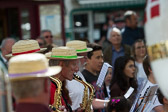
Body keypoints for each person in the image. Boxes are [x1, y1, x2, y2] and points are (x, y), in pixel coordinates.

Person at [47, 46, 82, 112]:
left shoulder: (59, 85)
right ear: (61, 64)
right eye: (74, 64)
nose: (77, 69)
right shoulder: (49, 88)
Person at [65, 40, 93, 111]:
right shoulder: (65, 77)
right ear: (76, 58)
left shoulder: (79, 73)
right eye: (85, 57)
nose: (86, 60)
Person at [82, 43, 109, 112]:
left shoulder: (100, 75)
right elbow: (88, 102)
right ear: (87, 59)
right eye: (98, 58)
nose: (101, 61)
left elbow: (105, 97)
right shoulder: (82, 78)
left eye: (102, 57)